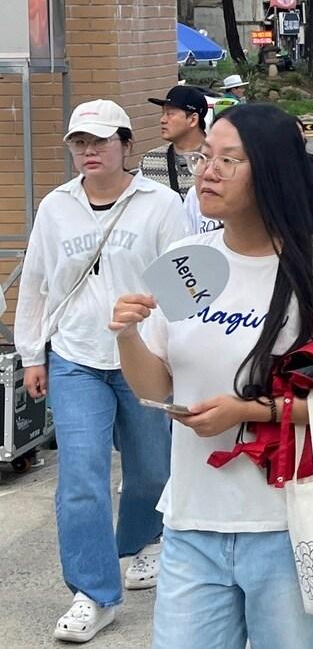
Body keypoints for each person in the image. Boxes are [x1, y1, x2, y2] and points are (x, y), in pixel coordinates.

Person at [109, 103, 313, 649]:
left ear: (271, 172)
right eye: (206, 157)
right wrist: (125, 336)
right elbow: (154, 387)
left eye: (228, 160)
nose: (207, 171)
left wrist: (252, 412)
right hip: (190, 523)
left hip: (291, 527)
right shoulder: (189, 258)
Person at [15, 101, 189, 642]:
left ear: (125, 146)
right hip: (75, 358)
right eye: (79, 143)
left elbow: (184, 287)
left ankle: (138, 542)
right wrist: (32, 355)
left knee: (152, 472)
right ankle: (93, 592)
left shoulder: (161, 204)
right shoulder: (56, 207)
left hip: (145, 359)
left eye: (99, 142)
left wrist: (181, 352)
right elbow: (37, 283)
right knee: (81, 478)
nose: (88, 152)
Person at [140, 85, 208, 197]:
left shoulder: (217, 160)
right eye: (163, 113)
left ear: (193, 119)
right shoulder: (149, 161)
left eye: (170, 114)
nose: (162, 120)